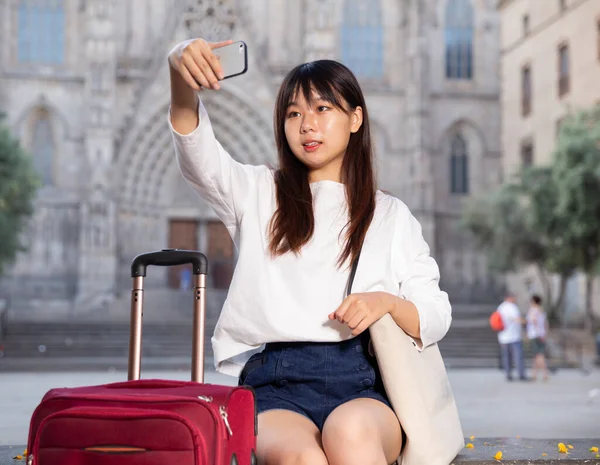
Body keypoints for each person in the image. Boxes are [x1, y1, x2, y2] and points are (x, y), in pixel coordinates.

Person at [167, 38, 452, 465]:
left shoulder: (390, 215)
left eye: (322, 109)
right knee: (302, 458)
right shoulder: (257, 193)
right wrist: (179, 70)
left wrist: (385, 303)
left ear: (356, 118)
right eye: (293, 113)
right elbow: (196, 151)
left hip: (362, 383)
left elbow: (435, 313)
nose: (306, 125)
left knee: (351, 436)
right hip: (274, 384)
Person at [497, 292, 526, 381]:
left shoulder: (501, 307)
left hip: (503, 337)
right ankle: (521, 374)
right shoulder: (512, 307)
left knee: (506, 357)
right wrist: (526, 321)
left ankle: (508, 374)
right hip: (513, 336)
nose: (515, 299)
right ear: (510, 298)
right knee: (518, 356)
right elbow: (517, 319)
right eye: (514, 297)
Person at [526, 294, 549, 382]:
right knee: (536, 356)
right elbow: (545, 324)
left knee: (539, 355)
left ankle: (545, 373)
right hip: (541, 334)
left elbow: (533, 321)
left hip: (535, 334)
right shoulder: (542, 311)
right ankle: (534, 374)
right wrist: (544, 333)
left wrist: (537, 332)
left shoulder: (533, 311)